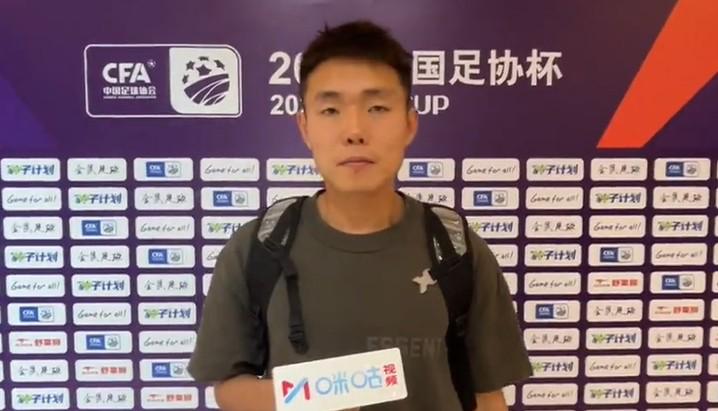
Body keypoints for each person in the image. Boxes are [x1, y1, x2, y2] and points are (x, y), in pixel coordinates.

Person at [188, 20, 532, 411]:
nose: (354, 130)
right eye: (331, 109)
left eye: (377, 108)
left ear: (409, 124)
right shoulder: (257, 248)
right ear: (305, 127)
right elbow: (229, 388)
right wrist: (322, 395)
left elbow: (488, 397)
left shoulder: (456, 249)